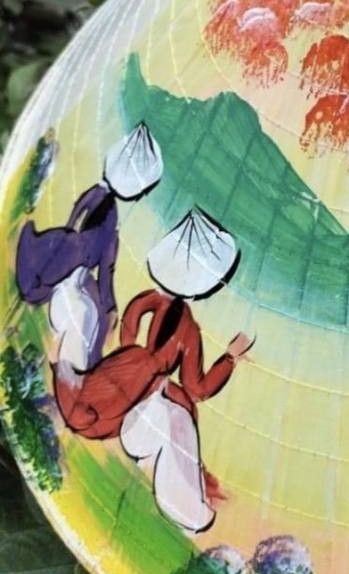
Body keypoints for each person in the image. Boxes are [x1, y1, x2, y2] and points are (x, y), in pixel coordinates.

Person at [53, 209, 252, 533]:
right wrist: (229, 358)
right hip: (131, 412)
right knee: (179, 420)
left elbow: (129, 328)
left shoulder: (150, 302)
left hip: (106, 390)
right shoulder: (187, 329)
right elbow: (197, 388)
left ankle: (189, 507)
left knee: (174, 415)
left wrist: (132, 358)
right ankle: (190, 510)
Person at [16, 123, 163, 370]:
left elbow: (74, 219)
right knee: (96, 321)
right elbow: (106, 271)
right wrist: (111, 308)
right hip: (64, 269)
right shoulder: (110, 222)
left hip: (52, 250)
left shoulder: (95, 195)